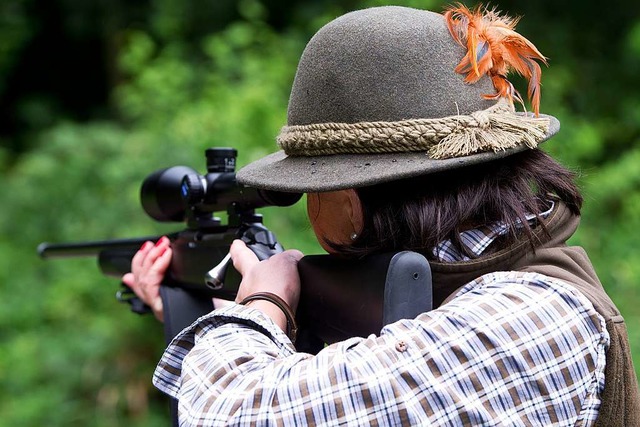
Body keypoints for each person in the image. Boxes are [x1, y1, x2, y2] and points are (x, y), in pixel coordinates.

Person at [122, 4, 640, 425]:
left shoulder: (523, 320)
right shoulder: (479, 303)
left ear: (348, 202)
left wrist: (262, 302)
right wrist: (205, 318)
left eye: (311, 190)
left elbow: (231, 413)